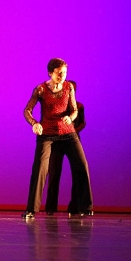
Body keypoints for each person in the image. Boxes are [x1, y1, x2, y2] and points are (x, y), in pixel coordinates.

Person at [22, 58, 93, 219]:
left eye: (64, 73)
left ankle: (85, 206)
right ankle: (31, 209)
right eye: (59, 73)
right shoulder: (41, 89)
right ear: (50, 73)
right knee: (40, 169)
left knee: (82, 165)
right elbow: (27, 110)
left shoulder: (69, 87)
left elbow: (74, 110)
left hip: (68, 133)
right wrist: (34, 123)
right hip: (47, 134)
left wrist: (70, 117)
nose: (62, 76)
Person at [43, 80, 85, 215]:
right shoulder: (58, 104)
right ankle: (51, 207)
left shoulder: (78, 106)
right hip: (57, 140)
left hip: (72, 139)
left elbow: (83, 123)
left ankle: (76, 206)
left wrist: (72, 130)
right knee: (54, 173)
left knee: (77, 172)